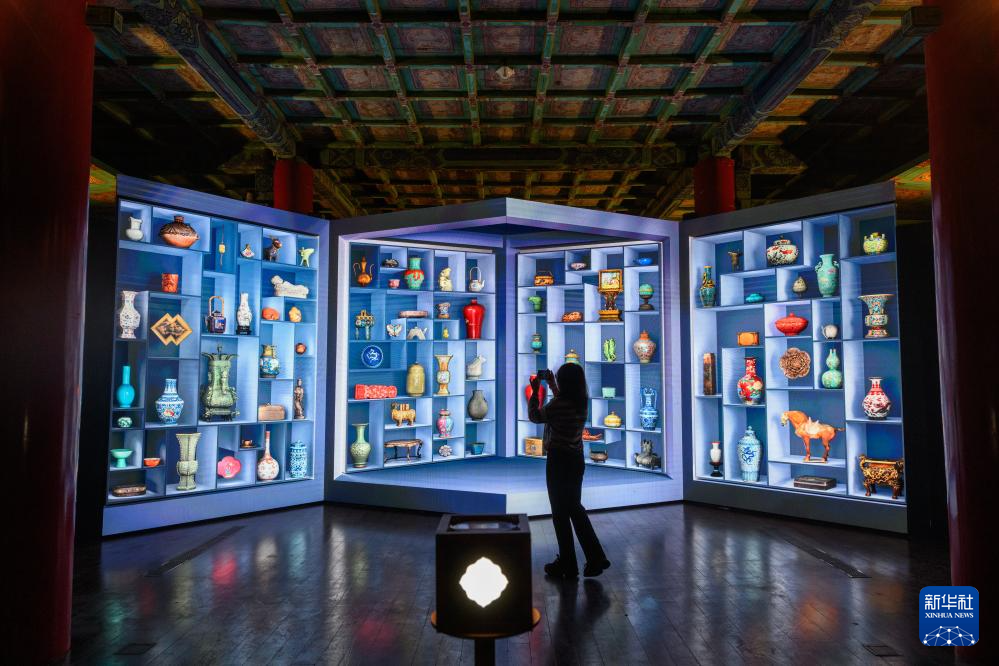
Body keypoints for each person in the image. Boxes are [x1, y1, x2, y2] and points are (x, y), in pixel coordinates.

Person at [528, 364, 610, 579]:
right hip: (575, 460)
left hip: (558, 461)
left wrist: (535, 391)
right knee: (574, 507)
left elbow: (535, 416)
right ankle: (593, 558)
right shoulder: (580, 402)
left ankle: (570, 563)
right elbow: (560, 402)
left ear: (564, 382)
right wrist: (552, 385)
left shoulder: (559, 405)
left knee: (560, 512)